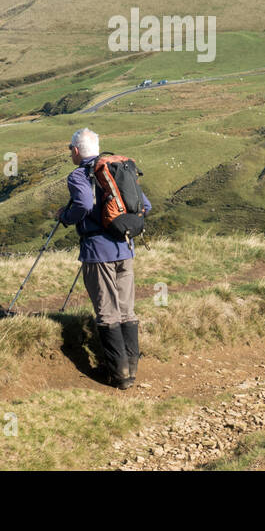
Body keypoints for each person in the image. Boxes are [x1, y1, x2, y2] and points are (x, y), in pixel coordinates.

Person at [57, 128, 150, 389]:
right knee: (126, 310)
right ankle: (131, 367)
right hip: (125, 247)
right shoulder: (118, 170)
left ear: (76, 150)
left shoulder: (78, 175)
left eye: (70, 149)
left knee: (107, 312)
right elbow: (146, 205)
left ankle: (119, 375)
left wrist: (65, 217)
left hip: (98, 253)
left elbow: (84, 206)